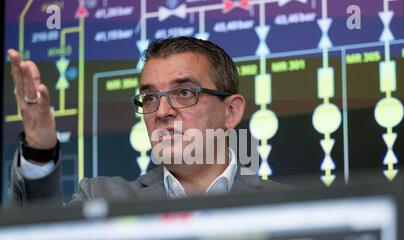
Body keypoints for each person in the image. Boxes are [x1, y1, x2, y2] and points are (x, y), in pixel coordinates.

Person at [7, 36, 287, 206]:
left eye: (184, 92)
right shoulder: (101, 199)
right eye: (150, 97)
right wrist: (39, 148)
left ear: (231, 112)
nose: (162, 111)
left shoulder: (286, 208)